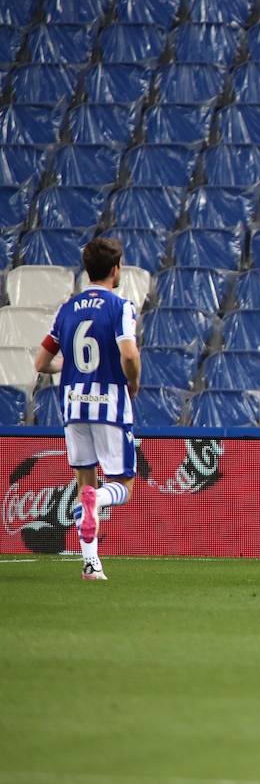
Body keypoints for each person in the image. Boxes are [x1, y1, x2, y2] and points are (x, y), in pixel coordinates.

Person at [33, 238, 141, 581]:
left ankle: (91, 564)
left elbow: (41, 362)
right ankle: (96, 505)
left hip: (73, 405)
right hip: (109, 402)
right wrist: (133, 381)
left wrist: (71, 369)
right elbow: (128, 353)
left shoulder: (67, 309)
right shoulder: (120, 306)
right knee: (122, 485)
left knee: (84, 482)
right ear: (115, 269)